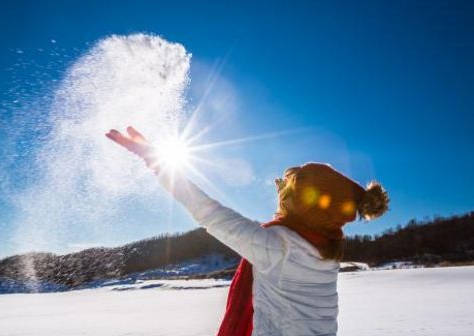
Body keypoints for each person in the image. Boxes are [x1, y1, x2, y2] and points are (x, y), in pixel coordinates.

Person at [106, 126, 389, 336]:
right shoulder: (327, 250)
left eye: (288, 188)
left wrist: (154, 159)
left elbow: (208, 212)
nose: (280, 189)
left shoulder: (278, 248)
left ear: (304, 204)